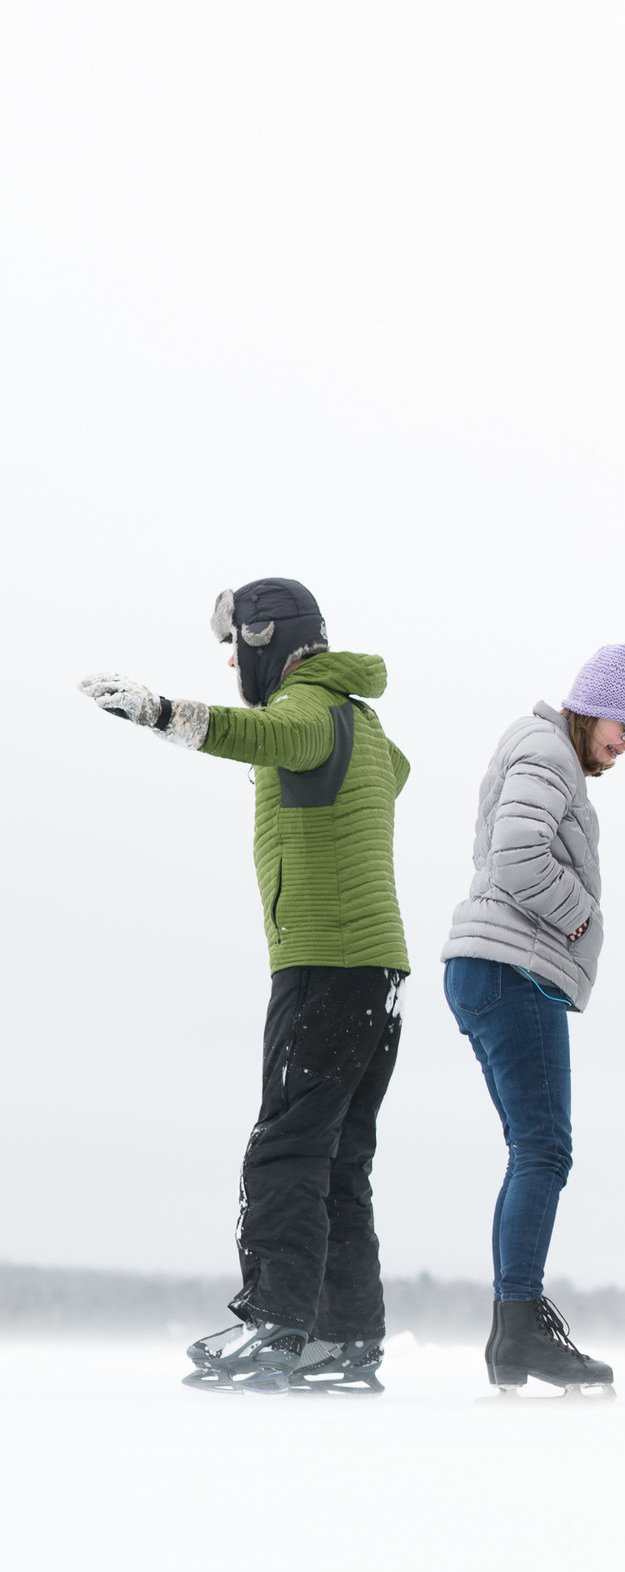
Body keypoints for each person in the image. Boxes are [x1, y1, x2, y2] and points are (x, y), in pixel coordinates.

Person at [79, 579, 412, 1394]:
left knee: (286, 1148)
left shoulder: (307, 709)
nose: (233, 661)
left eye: (239, 645)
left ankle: (275, 1324)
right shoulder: (363, 723)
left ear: (270, 639)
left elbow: (261, 733)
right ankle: (346, 1335)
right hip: (379, 974)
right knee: (339, 1159)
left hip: (326, 965)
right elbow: (396, 772)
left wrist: (162, 713)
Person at [442, 643, 625, 1398]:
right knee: (544, 1150)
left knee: (534, 1149)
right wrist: (578, 921)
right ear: (593, 703)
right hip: (511, 968)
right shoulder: (545, 748)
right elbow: (517, 854)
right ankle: (518, 1326)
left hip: (493, 967)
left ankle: (516, 1329)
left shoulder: (544, 752)